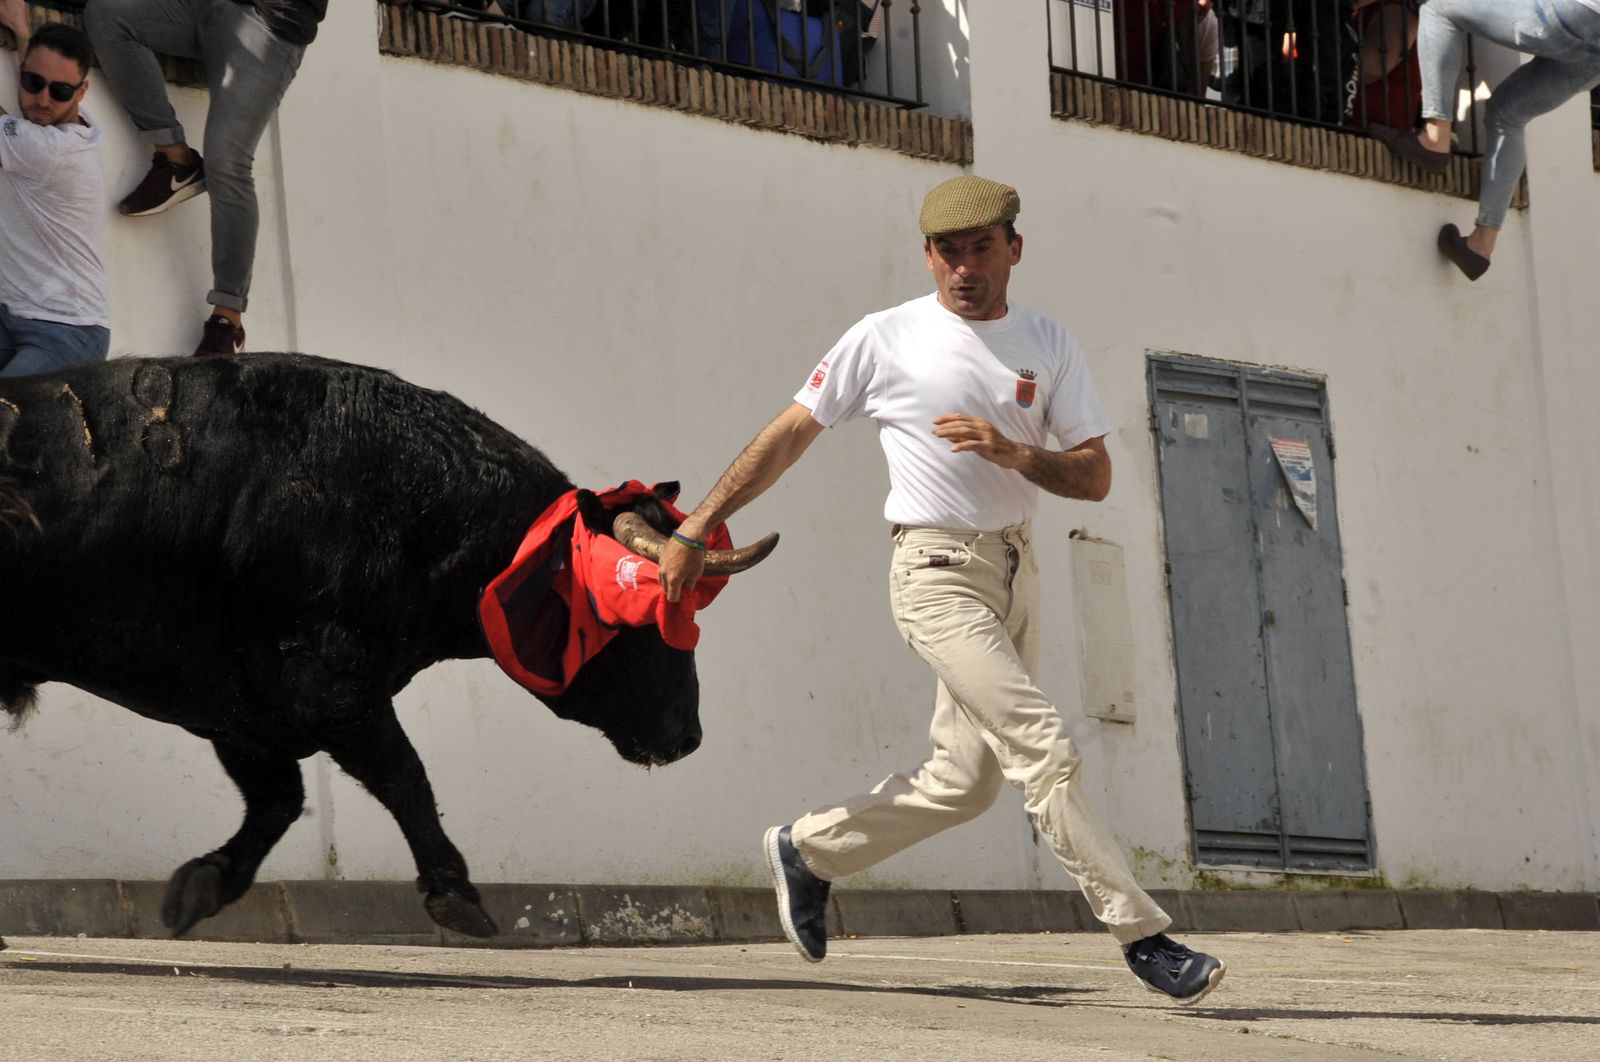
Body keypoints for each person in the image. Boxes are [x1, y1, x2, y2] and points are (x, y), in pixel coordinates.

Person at [658, 175, 1227, 1005]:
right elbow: (788, 437)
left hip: (1014, 570)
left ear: (1014, 249)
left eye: (981, 249)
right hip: (932, 574)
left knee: (965, 783)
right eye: (947, 252)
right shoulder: (884, 338)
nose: (964, 267)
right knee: (1044, 747)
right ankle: (1143, 937)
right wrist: (696, 524)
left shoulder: (1049, 344)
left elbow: (1097, 475)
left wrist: (1018, 454)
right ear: (927, 256)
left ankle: (808, 850)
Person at [84, 0, 326, 355]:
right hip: (199, 7)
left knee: (227, 161)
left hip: (269, 24)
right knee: (106, 16)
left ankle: (228, 319)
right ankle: (175, 159)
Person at [1368, 0, 1600, 280]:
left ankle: (1435, 137)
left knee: (1438, 8)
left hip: (1576, 13)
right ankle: (1481, 244)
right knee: (1507, 115)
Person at [0, 8, 110, 378]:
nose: (43, 101)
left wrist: (25, 45)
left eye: (60, 91)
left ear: (82, 91)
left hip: (68, 329)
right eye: (33, 83)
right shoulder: (68, 126)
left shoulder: (52, 150)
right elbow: (42, 79)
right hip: (13, 313)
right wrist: (21, 29)